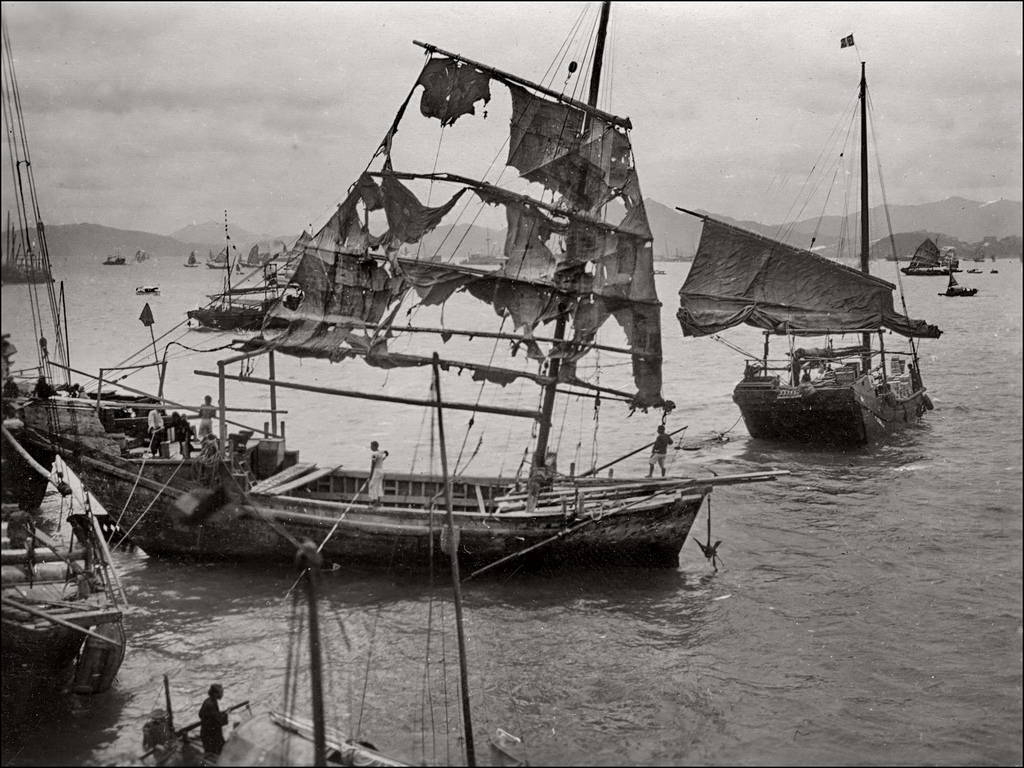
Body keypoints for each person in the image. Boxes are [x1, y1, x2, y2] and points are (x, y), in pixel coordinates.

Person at [199, 683, 229, 755]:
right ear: (215, 694)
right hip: (211, 736)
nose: (222, 694)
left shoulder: (207, 701)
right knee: (219, 752)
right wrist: (226, 714)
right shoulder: (211, 704)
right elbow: (219, 720)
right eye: (221, 693)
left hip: (205, 732)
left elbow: (200, 714)